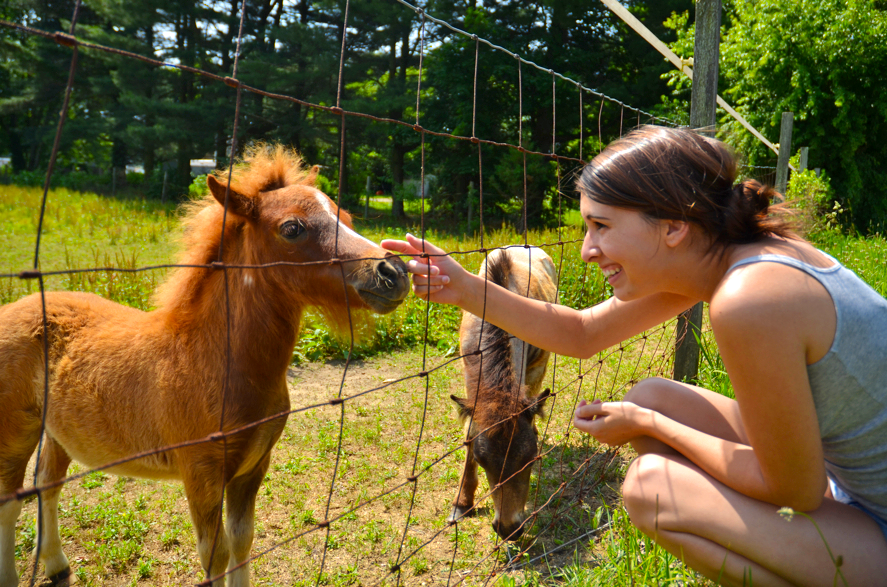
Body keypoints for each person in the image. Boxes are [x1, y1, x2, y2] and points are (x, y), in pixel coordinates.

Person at [381, 125, 887, 586]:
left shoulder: (749, 300)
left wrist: (649, 424)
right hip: (847, 482)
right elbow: (582, 334)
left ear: (672, 227)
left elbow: (793, 493)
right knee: (654, 396)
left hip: (872, 518)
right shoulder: (736, 255)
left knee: (650, 487)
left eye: (601, 225)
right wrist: (467, 289)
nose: (585, 249)